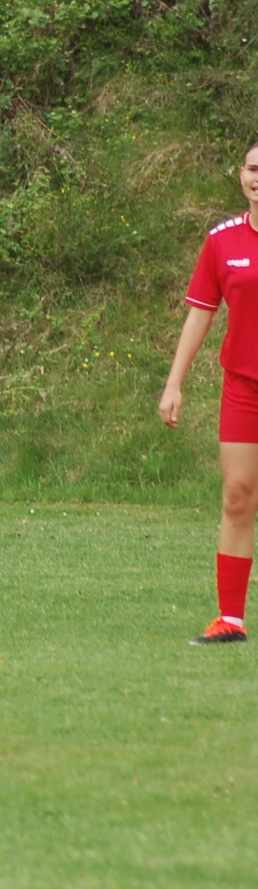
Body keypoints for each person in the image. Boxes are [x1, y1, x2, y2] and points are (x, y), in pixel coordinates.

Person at [159, 141, 258, 645]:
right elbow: (200, 313)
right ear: (240, 175)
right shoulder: (222, 240)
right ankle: (231, 620)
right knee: (238, 497)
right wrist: (174, 382)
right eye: (253, 169)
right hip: (243, 388)